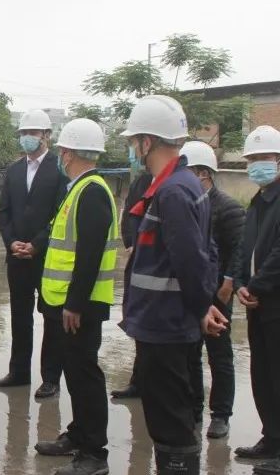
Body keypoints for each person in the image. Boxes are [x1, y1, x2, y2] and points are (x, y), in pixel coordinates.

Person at [120, 95, 227, 473]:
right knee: (172, 417)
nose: (134, 148)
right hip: (166, 322)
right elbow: (204, 250)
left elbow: (191, 259)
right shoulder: (179, 185)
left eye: (135, 141)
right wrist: (203, 304)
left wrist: (200, 307)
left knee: (170, 425)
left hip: (165, 325)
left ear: (147, 142)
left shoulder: (173, 191)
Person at [33, 118, 117, 475]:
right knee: (75, 372)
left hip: (80, 305)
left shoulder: (91, 191)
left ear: (68, 153)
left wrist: (75, 304)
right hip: (66, 302)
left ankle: (94, 454)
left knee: (85, 375)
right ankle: (79, 435)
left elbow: (89, 253)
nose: (60, 156)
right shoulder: (80, 188)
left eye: (62, 151)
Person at [0, 109, 67, 399]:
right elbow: (3, 212)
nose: (27, 138)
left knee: (52, 318)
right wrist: (11, 242)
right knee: (20, 316)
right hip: (17, 256)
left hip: (46, 257)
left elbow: (60, 213)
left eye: (33, 133)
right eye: (23, 133)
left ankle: (50, 378)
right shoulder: (13, 171)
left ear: (47, 135)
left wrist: (37, 244)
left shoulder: (59, 169)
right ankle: (19, 372)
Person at [180, 141, 244, 439]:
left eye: (188, 172)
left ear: (204, 173)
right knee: (190, 353)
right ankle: (194, 409)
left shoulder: (228, 207)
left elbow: (240, 250)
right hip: (193, 291)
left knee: (219, 355)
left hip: (218, 293)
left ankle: (220, 415)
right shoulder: (186, 204)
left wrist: (229, 283)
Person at [233, 125, 280, 474]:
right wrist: (240, 283)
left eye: (263, 158)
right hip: (256, 302)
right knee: (262, 372)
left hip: (274, 301)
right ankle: (272, 437)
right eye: (251, 159)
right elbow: (245, 248)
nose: (255, 165)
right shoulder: (257, 201)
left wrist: (257, 286)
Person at [110, 171, 152, 400]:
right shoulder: (143, 181)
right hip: (139, 264)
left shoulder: (177, 187)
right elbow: (129, 213)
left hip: (162, 269)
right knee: (140, 323)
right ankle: (139, 382)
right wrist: (131, 243)